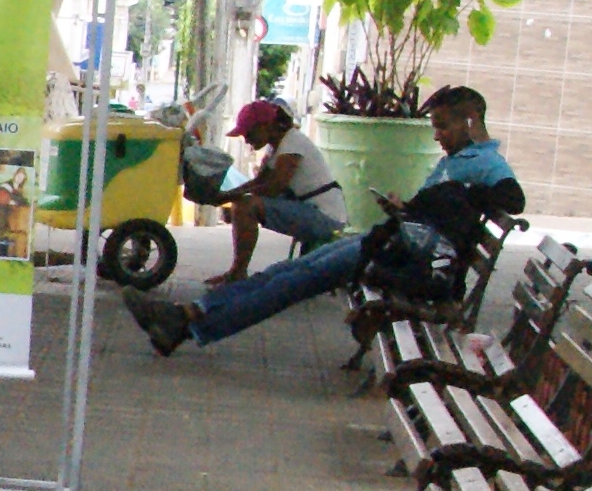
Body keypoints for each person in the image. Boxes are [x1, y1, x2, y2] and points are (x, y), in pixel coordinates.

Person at [126, 85, 517, 355]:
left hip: (407, 259)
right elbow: (442, 210)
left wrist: (462, 196)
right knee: (285, 272)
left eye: (443, 126)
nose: (437, 136)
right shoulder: (456, 160)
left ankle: (187, 321)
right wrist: (407, 208)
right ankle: (188, 316)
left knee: (293, 281)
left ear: (470, 122)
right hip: (395, 242)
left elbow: (513, 199)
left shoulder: (485, 161)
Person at [194, 97, 343, 286]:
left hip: (324, 217)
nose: (246, 140)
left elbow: (274, 187)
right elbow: (258, 182)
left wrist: (228, 197)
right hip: (312, 210)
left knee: (246, 207)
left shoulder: (292, 143)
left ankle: (238, 272)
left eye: (249, 133)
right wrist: (226, 196)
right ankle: (237, 271)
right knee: (241, 205)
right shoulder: (278, 146)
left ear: (264, 126)